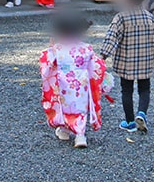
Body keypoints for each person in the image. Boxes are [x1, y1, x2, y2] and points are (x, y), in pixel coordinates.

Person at [40, 12, 110, 148]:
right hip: (81, 84)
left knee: (64, 107)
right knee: (80, 108)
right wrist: (101, 80)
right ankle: (80, 136)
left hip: (63, 83)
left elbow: (46, 63)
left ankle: (65, 130)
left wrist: (50, 47)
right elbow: (95, 67)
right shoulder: (86, 48)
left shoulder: (58, 48)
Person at [100, 0, 154, 134]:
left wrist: (103, 56)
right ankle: (142, 113)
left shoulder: (121, 18)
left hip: (126, 63)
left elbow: (111, 39)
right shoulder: (150, 17)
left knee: (127, 91)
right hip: (145, 62)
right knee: (145, 89)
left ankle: (130, 122)